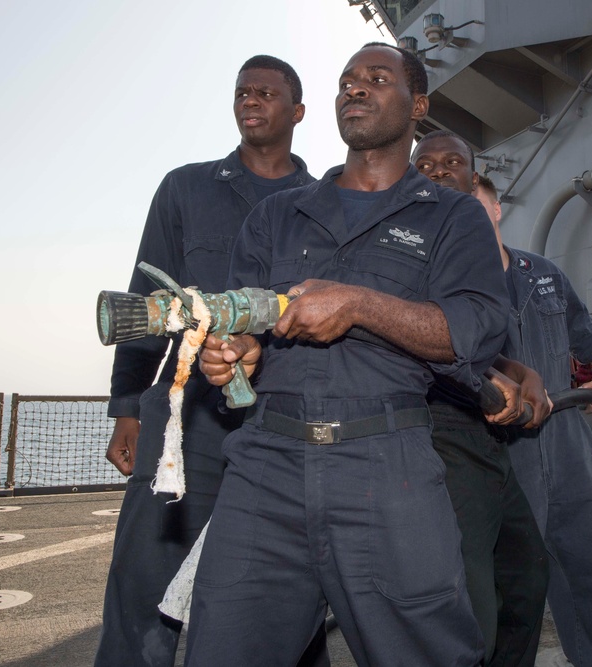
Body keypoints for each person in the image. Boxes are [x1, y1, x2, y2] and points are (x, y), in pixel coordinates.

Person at [187, 43, 510, 666]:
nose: (354, 89)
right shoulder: (276, 216)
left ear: (417, 106)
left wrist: (361, 303)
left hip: (390, 469)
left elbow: (477, 330)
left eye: (376, 79)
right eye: (346, 80)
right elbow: (239, 319)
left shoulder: (452, 218)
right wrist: (233, 355)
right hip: (265, 467)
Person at [94, 55, 319, 667]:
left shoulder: (325, 202)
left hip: (280, 418)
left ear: (297, 112)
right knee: (143, 577)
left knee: (286, 589)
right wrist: (127, 408)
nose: (252, 100)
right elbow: (145, 305)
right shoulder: (185, 187)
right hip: (184, 414)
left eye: (267, 93)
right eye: (243, 91)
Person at [421, 131, 592, 667]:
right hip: (496, 449)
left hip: (567, 444)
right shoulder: (437, 285)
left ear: (493, 208)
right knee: (511, 587)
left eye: (478, 200)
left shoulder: (544, 274)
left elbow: (587, 335)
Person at [413, 130, 553, 667]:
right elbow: (419, 336)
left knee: (526, 573)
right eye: (424, 164)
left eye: (453, 161)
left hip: (487, 437)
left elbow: (470, 339)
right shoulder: (405, 241)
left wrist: (520, 370)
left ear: (475, 178)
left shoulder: (466, 248)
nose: (439, 169)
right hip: (438, 431)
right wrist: (497, 378)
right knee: (470, 606)